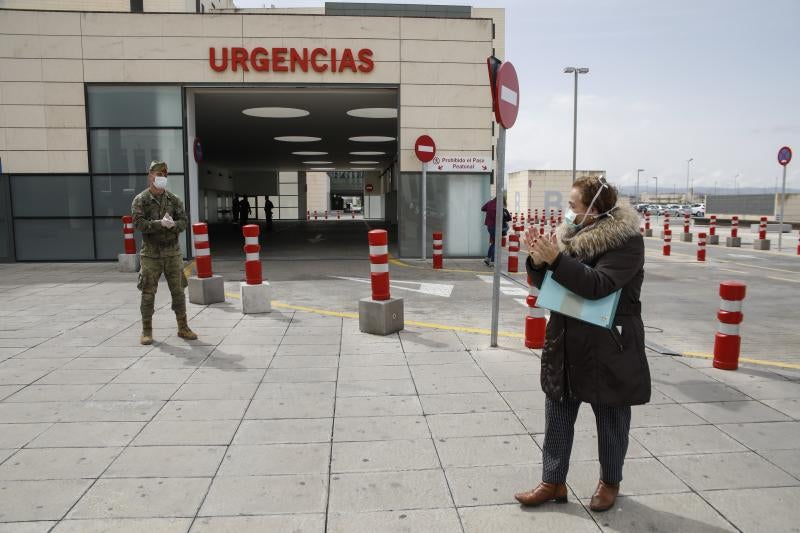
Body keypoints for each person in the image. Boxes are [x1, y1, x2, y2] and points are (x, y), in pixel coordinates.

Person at [514, 175, 649, 512]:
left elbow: (597, 284)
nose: (569, 211)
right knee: (558, 414)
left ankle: (610, 482)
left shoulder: (626, 242)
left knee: (611, 418)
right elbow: (549, 281)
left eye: (574, 205)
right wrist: (538, 260)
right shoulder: (568, 235)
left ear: (595, 210)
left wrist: (557, 260)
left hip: (609, 345)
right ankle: (552, 481)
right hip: (566, 339)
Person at [131, 160, 198, 345]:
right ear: (150, 176)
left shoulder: (174, 199)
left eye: (165, 175)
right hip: (151, 254)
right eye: (159, 174)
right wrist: (158, 224)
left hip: (172, 253)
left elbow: (184, 222)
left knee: (178, 292)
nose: (162, 178)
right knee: (148, 292)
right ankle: (146, 331)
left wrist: (173, 224)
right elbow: (138, 223)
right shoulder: (141, 199)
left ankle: (183, 327)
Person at [480, 195, 511, 266]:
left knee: (494, 243)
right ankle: (493, 261)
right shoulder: (498, 206)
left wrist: (489, 211)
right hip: (495, 226)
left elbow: (483, 208)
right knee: (496, 243)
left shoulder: (490, 202)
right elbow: (502, 217)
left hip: (489, 226)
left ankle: (488, 258)